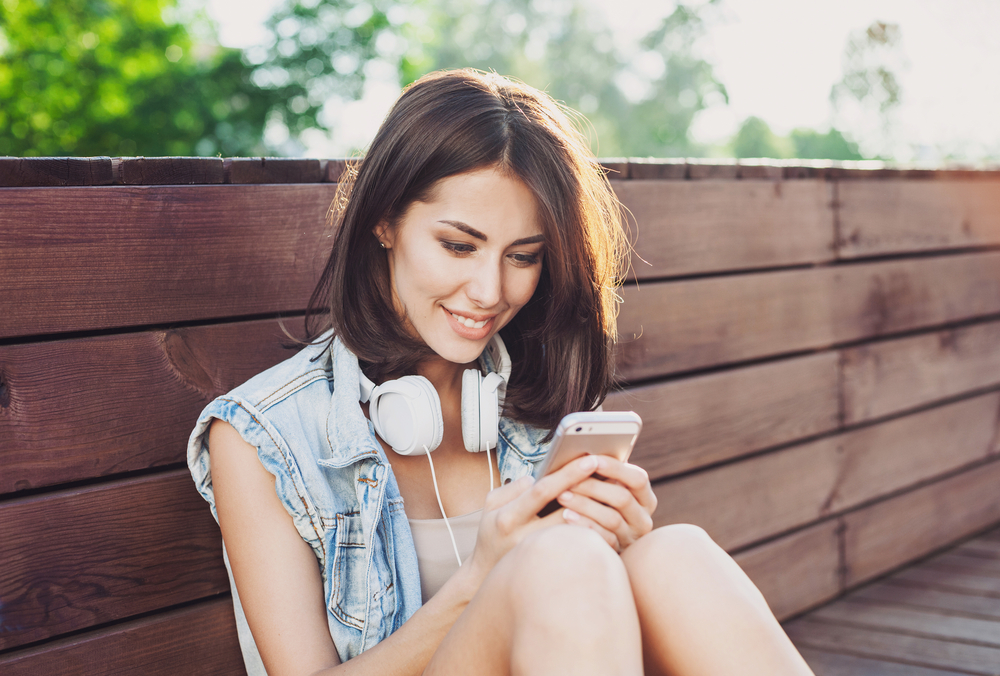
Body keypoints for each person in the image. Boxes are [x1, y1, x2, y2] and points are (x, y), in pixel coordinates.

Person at [188, 68, 815, 676]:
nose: (489, 291)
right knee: (559, 562)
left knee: (674, 555)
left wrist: (617, 540)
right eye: (459, 246)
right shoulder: (260, 435)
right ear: (384, 220)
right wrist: (479, 582)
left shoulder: (534, 401)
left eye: (522, 257)